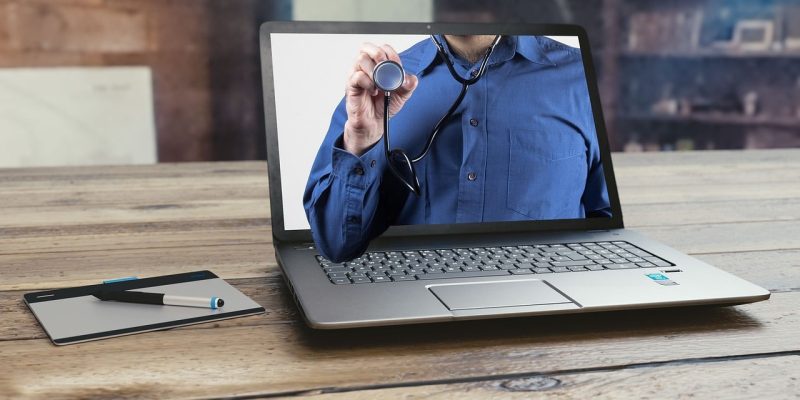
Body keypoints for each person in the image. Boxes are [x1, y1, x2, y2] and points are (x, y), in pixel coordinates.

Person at [304, 35, 611, 262]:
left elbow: (608, 227)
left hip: (548, 312)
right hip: (412, 308)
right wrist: (361, 140)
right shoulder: (378, 86)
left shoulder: (582, 76)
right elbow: (336, 244)